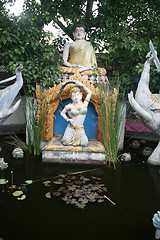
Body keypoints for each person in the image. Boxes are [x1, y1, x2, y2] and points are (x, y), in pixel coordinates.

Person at [60, 81, 92, 146]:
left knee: (84, 143)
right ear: (71, 98)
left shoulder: (85, 104)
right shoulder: (70, 106)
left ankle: (76, 139)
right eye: (74, 96)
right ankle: (70, 137)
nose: (76, 97)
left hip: (80, 128)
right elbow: (62, 113)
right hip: (72, 127)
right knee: (65, 141)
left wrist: (83, 86)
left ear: (81, 95)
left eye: (77, 95)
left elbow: (90, 93)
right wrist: (68, 119)